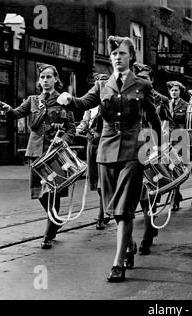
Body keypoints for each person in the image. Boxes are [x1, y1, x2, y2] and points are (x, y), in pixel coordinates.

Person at [58, 36, 162, 282]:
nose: (117, 58)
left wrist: (155, 146)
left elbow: (154, 119)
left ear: (131, 58)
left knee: (124, 207)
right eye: (114, 54)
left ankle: (118, 263)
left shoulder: (142, 85)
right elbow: (83, 103)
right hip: (105, 150)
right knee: (113, 208)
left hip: (133, 152)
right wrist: (68, 99)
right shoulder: (102, 85)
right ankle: (128, 243)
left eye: (122, 54)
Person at [0, 63, 76, 250]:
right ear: (39, 81)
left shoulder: (65, 100)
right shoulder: (33, 100)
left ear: (56, 79)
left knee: (52, 191)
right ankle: (55, 219)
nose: (45, 81)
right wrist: (7, 109)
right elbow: (16, 114)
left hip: (54, 153)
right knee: (39, 192)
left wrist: (62, 140)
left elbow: (71, 128)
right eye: (42, 77)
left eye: (49, 77)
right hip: (35, 152)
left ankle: (48, 234)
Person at [133, 62, 175, 255]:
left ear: (151, 80)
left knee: (150, 194)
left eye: (146, 78)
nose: (142, 81)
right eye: (138, 77)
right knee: (134, 195)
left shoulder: (161, 99)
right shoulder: (128, 94)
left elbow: (169, 124)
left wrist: (163, 145)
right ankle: (147, 229)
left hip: (152, 148)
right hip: (131, 149)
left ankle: (147, 236)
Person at [76, 73, 110, 230]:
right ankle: (108, 208)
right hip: (93, 145)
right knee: (97, 182)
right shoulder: (90, 107)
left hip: (108, 145)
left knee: (104, 182)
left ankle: (102, 215)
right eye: (99, 83)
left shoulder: (111, 103)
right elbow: (82, 125)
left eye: (104, 83)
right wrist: (79, 130)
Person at [167, 80, 189, 211]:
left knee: (176, 167)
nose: (173, 92)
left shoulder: (186, 106)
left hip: (180, 140)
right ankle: (176, 193)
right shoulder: (166, 104)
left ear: (180, 92)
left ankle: (175, 198)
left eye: (176, 90)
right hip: (168, 140)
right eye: (171, 90)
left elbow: (187, 124)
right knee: (169, 169)